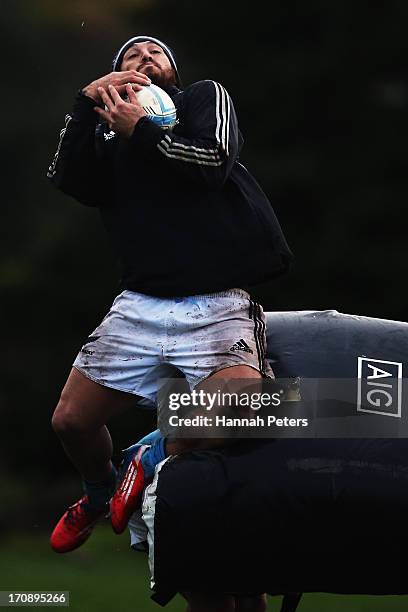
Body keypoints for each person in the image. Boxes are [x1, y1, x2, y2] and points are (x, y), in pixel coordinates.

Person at [47, 34, 293, 566]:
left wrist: (143, 134)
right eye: (130, 57)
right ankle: (99, 492)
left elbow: (210, 164)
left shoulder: (202, 100)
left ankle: (152, 450)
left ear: (173, 72)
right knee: (70, 422)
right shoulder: (105, 134)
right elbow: (69, 181)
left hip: (218, 303)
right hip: (140, 301)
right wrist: (84, 104)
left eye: (155, 54)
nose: (143, 59)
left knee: (250, 412)